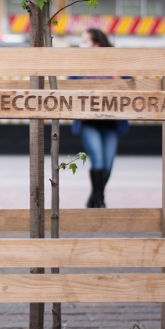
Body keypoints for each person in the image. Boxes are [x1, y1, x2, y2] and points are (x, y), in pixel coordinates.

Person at [71, 28, 129, 208]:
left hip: (111, 123)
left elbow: (128, 85)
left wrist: (112, 72)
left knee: (109, 165)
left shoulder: (116, 62)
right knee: (98, 160)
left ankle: (93, 199)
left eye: (85, 41)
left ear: (97, 43)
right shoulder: (80, 65)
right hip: (89, 122)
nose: (82, 45)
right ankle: (99, 202)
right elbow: (71, 86)